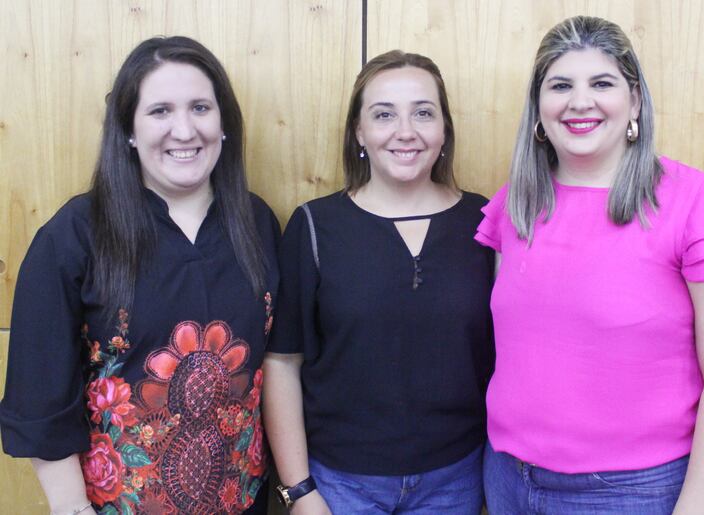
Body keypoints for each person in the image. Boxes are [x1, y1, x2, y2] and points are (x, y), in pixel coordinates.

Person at [476, 15, 704, 515]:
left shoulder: (701, 207)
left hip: (630, 494)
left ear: (634, 100)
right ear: (538, 106)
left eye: (602, 83)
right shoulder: (515, 205)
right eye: (560, 84)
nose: (579, 101)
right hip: (506, 479)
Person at [0, 36, 278, 515]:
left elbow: (278, 368)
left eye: (199, 107)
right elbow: (39, 399)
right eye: (160, 111)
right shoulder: (75, 235)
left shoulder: (258, 223)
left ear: (224, 122)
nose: (184, 129)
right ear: (128, 129)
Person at [262, 50, 494, 514]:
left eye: (423, 113)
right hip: (340, 485)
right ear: (359, 133)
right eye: (383, 114)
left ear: (444, 130)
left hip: (455, 480)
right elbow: (282, 364)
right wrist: (299, 491)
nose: (405, 131)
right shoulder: (313, 226)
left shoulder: (484, 221)